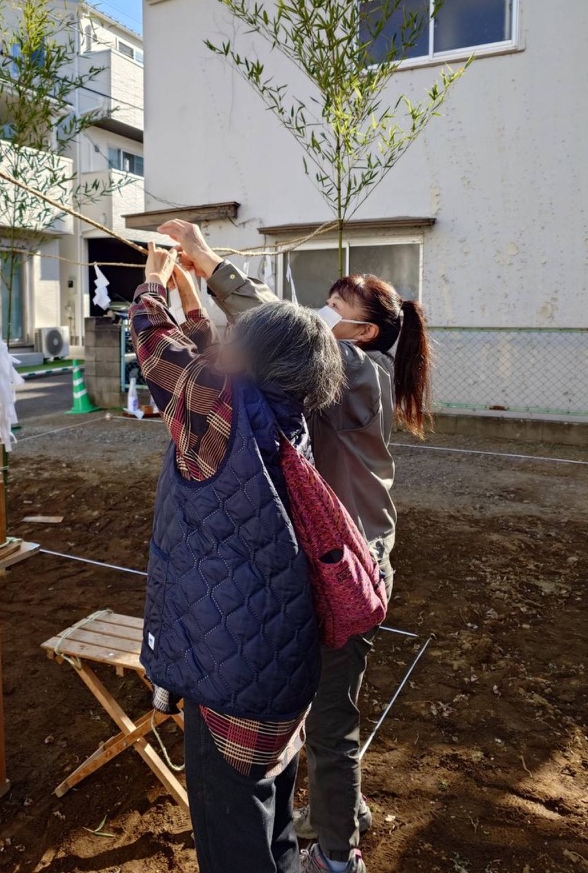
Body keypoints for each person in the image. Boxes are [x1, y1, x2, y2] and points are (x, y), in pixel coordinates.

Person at [157, 219, 432, 873]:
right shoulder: (337, 372)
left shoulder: (359, 371)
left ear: (362, 332)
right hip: (330, 570)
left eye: (329, 312)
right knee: (309, 714)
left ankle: (339, 856)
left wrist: (208, 264)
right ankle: (345, 814)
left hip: (348, 577)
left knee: (331, 732)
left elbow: (279, 329)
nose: (314, 319)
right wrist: (198, 299)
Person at [129, 242, 344, 873]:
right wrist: (193, 298)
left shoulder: (217, 409)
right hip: (278, 663)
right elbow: (201, 365)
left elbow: (153, 345)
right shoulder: (279, 410)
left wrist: (154, 281)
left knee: (233, 851)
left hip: (227, 674)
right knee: (271, 815)